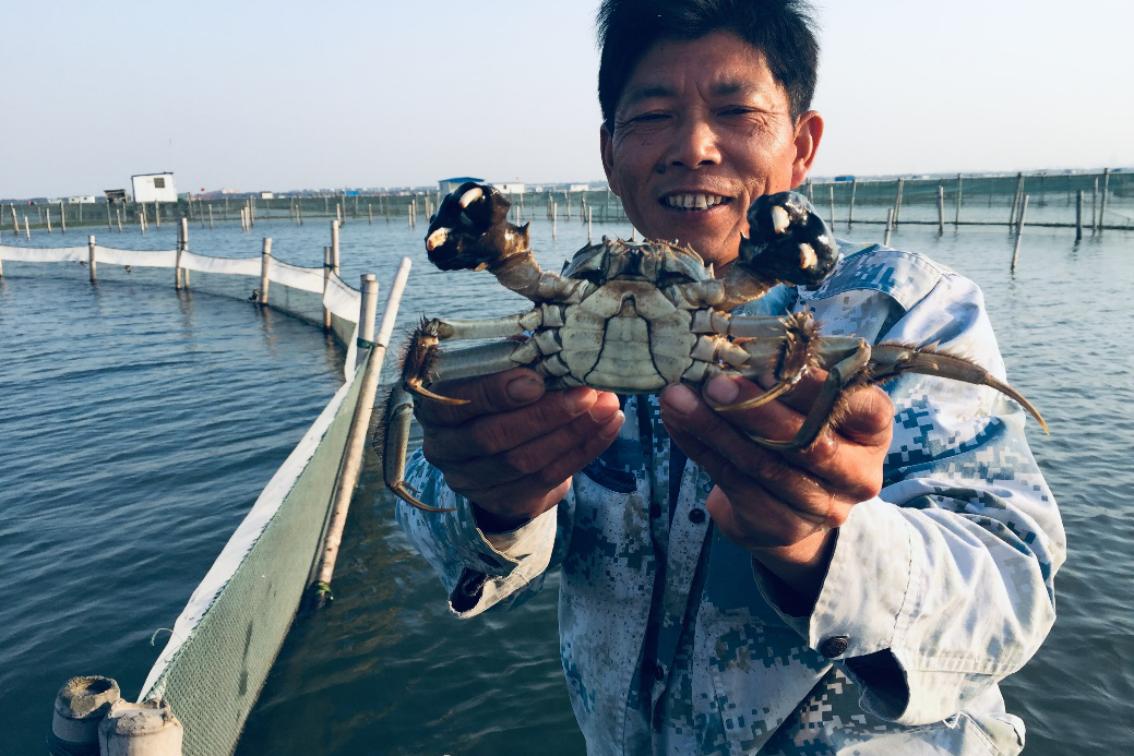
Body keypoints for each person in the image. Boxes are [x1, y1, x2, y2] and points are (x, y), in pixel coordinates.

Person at [395, 0, 1065, 752]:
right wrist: (491, 504)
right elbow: (436, 514)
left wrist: (825, 546)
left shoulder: (893, 312)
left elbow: (1014, 586)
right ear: (611, 154)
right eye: (651, 116)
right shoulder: (544, 336)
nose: (694, 147)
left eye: (736, 110)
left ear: (801, 145)